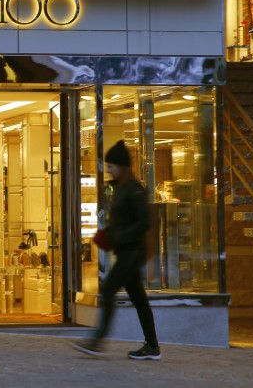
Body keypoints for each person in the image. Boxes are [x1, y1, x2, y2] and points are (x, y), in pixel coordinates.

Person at [72, 140, 161, 360]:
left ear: (122, 166)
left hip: (132, 252)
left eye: (111, 166)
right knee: (139, 300)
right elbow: (123, 219)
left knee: (109, 290)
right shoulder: (121, 188)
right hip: (126, 251)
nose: (108, 169)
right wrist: (109, 233)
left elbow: (143, 223)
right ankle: (152, 346)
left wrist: (118, 236)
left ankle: (97, 341)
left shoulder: (133, 190)